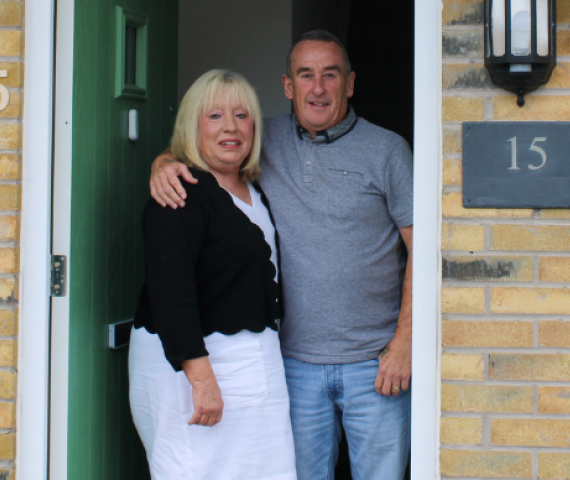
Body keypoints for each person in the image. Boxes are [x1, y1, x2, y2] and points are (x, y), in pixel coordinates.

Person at [151, 31, 413, 480]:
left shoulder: (388, 151)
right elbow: (202, 145)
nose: (318, 88)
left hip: (376, 365)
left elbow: (423, 252)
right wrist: (162, 164)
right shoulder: (260, 139)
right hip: (292, 364)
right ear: (288, 86)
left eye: (330, 75)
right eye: (305, 76)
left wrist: (404, 346)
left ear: (349, 84)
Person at [129, 69, 297, 480]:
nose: (231, 127)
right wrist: (201, 378)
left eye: (241, 115)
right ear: (193, 124)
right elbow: (171, 291)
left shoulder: (253, 189)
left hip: (255, 361)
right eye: (215, 116)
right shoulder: (179, 190)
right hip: (194, 367)